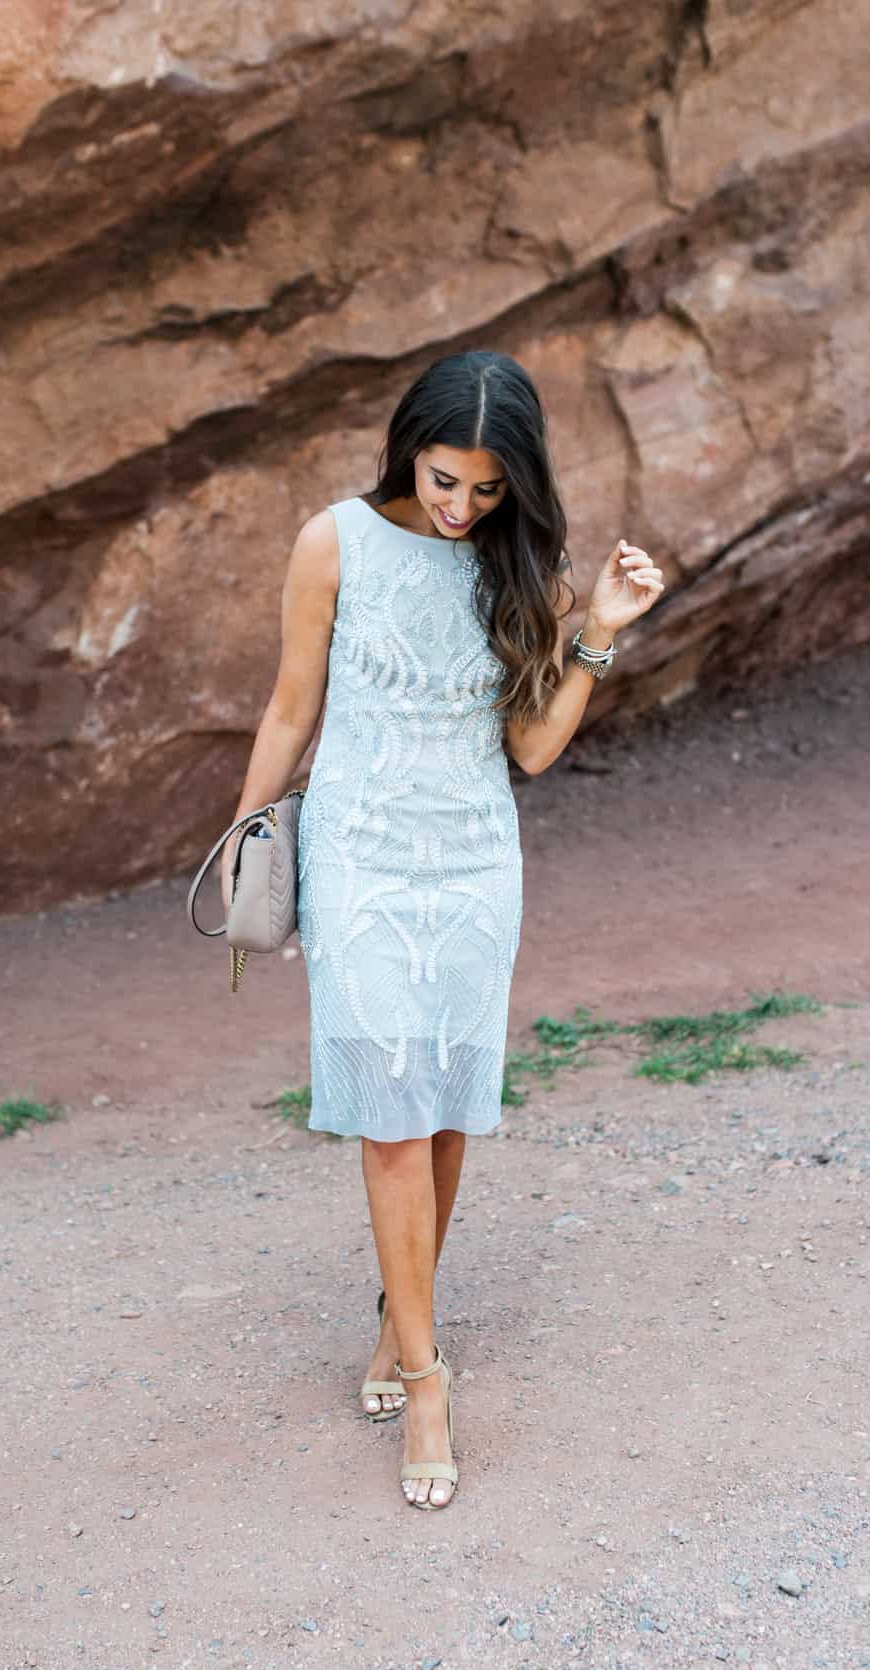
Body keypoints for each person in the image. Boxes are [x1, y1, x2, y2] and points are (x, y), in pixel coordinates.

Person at [221, 348, 665, 1511]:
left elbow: (528, 750)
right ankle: (425, 1377)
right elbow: (290, 705)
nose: (459, 507)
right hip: (360, 857)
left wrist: (599, 631)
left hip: (472, 862)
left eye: (482, 489)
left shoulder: (523, 567)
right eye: (440, 480)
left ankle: (392, 1322)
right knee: (388, 1120)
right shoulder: (334, 542)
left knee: (449, 1111)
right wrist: (245, 848)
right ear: (404, 449)